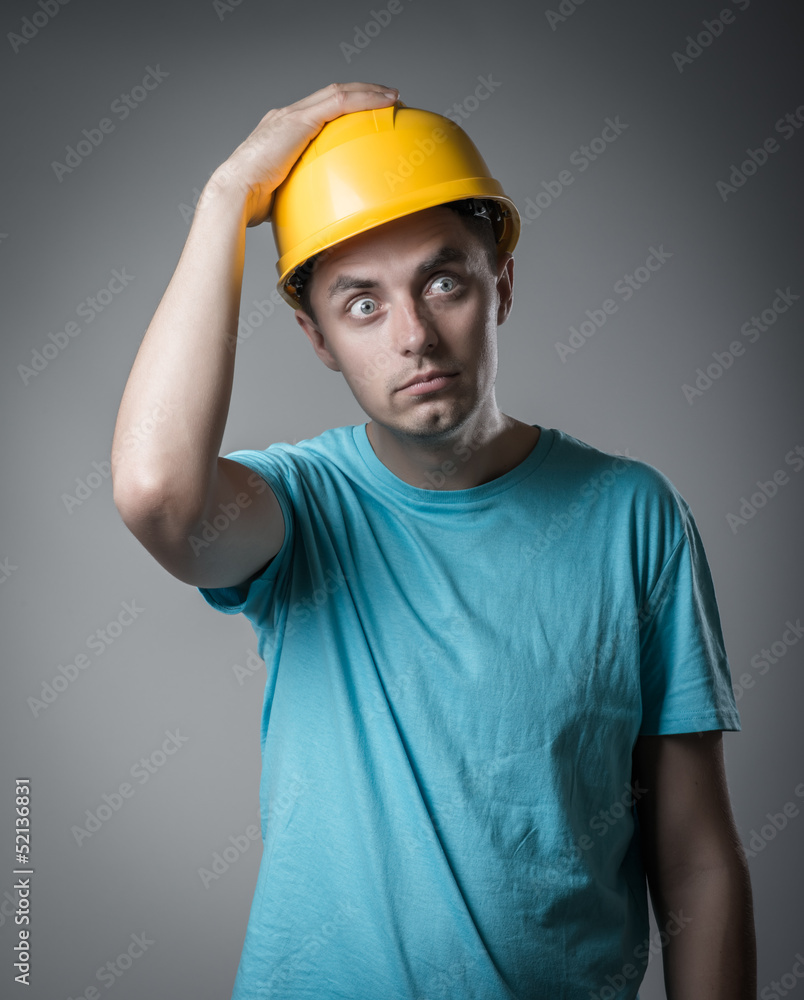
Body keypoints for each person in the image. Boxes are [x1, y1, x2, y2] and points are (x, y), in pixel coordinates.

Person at [111, 82, 757, 999]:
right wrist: (226, 197)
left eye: (442, 280)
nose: (414, 335)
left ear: (500, 284)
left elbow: (695, 860)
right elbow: (157, 495)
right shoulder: (305, 509)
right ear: (318, 338)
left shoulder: (632, 517)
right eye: (362, 305)